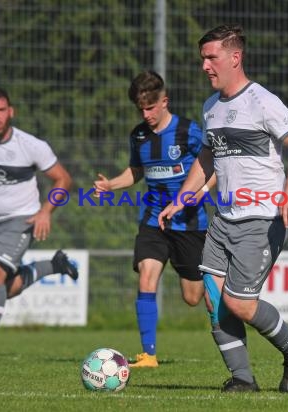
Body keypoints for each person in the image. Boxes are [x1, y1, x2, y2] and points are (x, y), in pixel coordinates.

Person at [159, 24, 288, 392]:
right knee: (214, 301)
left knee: (240, 304)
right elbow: (208, 156)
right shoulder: (211, 107)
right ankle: (243, 379)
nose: (205, 66)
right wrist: (181, 198)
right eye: (202, 59)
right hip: (223, 220)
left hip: (262, 218)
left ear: (235, 57)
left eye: (211, 58)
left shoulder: (262, 101)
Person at [93, 70, 214, 368]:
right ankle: (148, 355)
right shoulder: (139, 135)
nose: (145, 114)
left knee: (192, 296)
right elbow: (136, 172)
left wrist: (203, 191)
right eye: (140, 109)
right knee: (146, 278)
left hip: (189, 223)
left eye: (150, 107)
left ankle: (225, 313)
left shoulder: (189, 131)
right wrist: (111, 185)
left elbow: (214, 165)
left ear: (164, 102)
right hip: (153, 221)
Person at [0, 87, 79, 356]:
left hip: (23, 219)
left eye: (0, 110)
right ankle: (52, 265)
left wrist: (45, 212)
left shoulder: (30, 146)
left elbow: (63, 179)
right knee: (2, 289)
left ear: (11, 112)